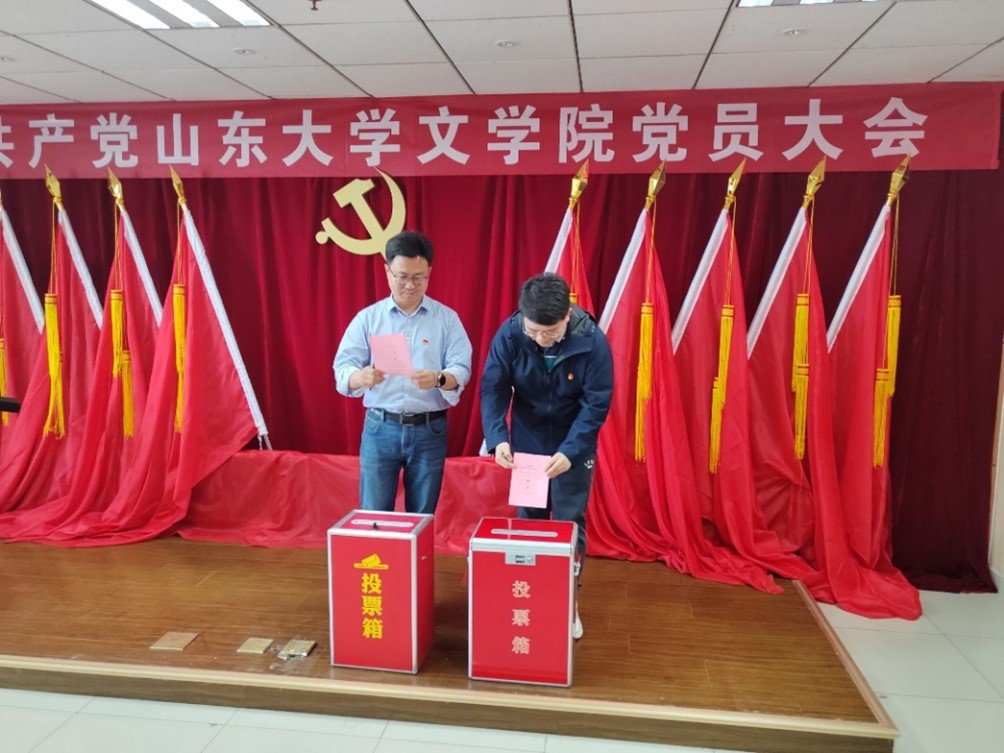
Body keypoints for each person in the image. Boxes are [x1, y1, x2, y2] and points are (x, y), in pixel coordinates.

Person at [480, 272, 613, 639]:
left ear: (567, 315)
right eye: (534, 331)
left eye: (549, 332)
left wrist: (571, 450)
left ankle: (568, 600)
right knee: (530, 519)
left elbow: (596, 404)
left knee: (569, 521)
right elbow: (493, 387)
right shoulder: (511, 334)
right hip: (529, 438)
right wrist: (498, 438)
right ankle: (531, 593)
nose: (540, 339)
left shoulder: (592, 341)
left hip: (574, 440)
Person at [334, 230, 472, 515]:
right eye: (403, 277)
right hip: (380, 427)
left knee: (422, 515)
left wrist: (438, 378)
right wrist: (361, 377)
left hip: (429, 428)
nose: (410, 285)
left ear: (429, 273)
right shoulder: (368, 318)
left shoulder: (447, 319)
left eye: (418, 278)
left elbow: (461, 367)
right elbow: (343, 367)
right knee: (374, 514)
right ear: (387, 272)